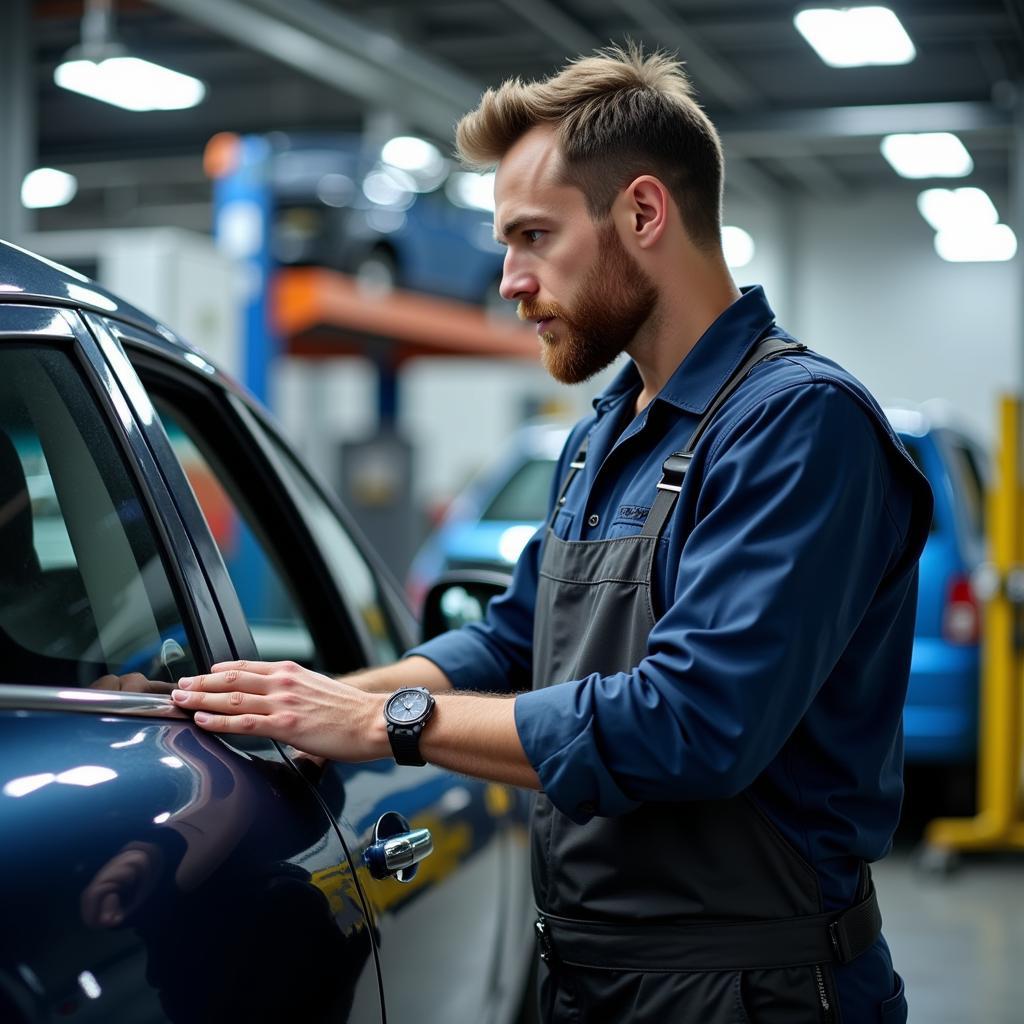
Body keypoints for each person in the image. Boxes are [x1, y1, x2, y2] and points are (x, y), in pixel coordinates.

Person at [171, 44, 933, 1023]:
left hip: (755, 990)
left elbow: (691, 725)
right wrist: (306, 705)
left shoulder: (799, 425)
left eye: (533, 236)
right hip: (589, 976)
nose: (508, 280)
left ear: (644, 214)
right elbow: (511, 641)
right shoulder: (604, 434)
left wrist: (385, 725)